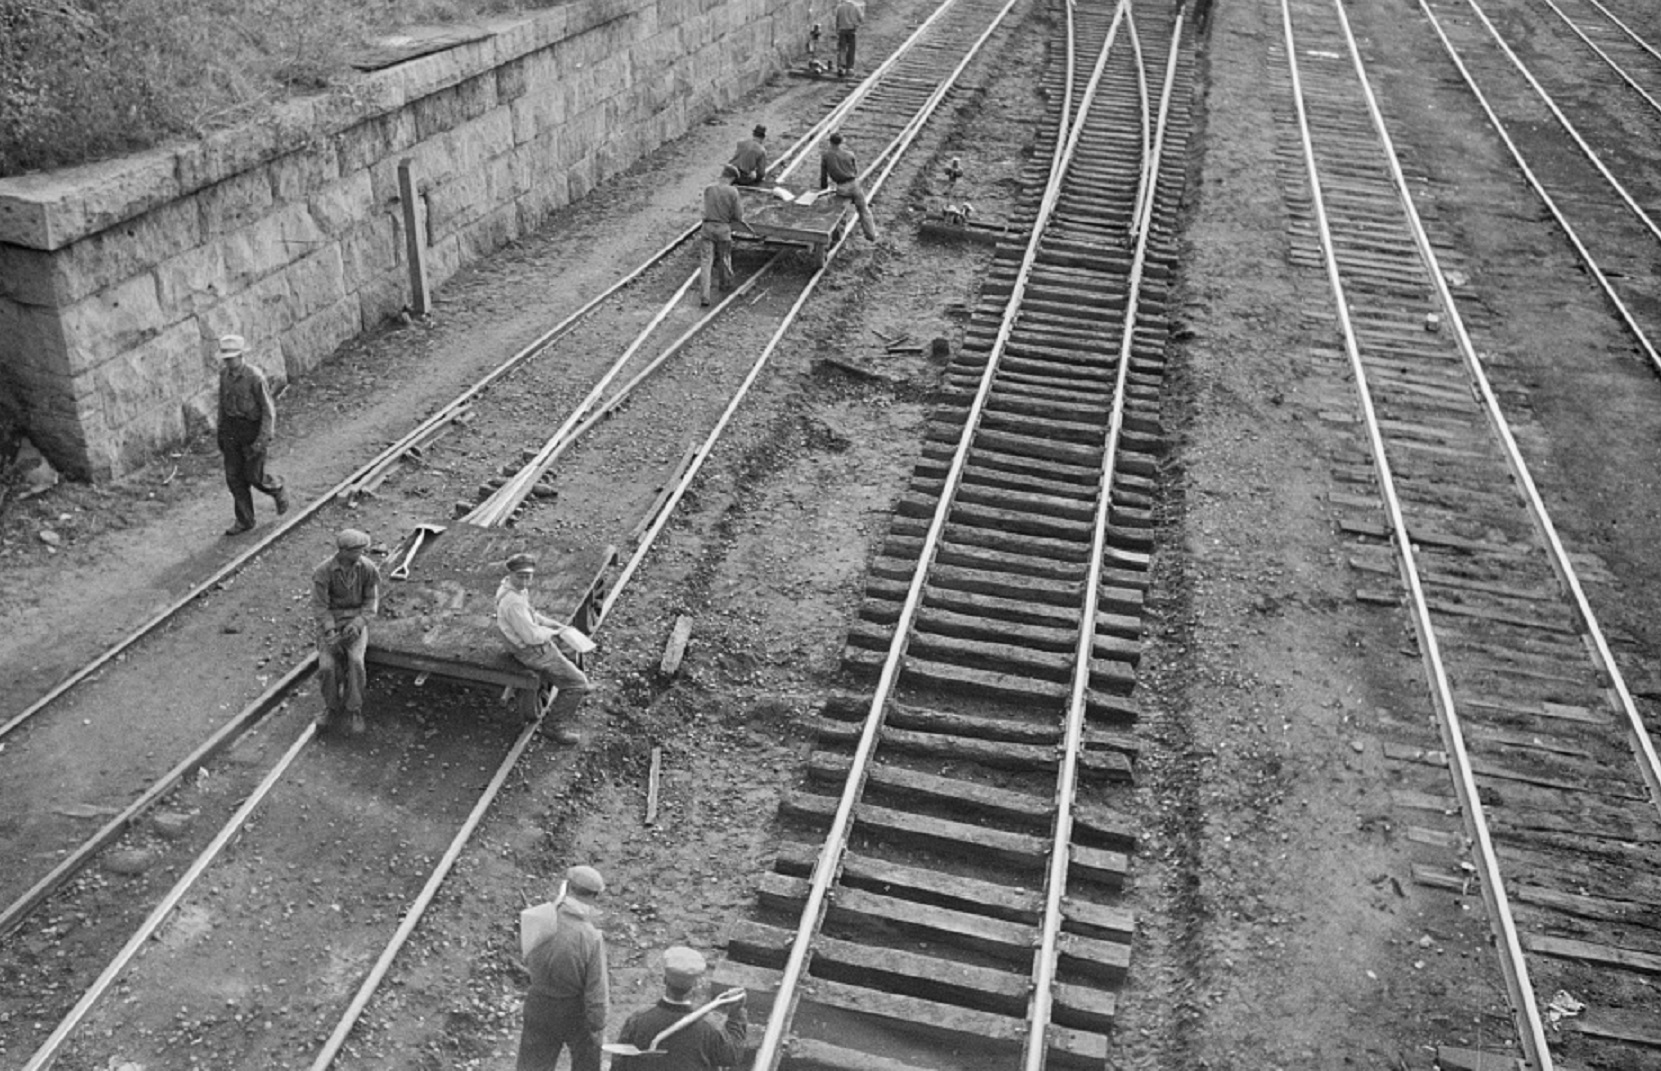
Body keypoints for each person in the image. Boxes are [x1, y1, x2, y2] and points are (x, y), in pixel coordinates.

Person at [519, 865, 610, 1071]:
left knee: (532, 1066)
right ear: (593, 897)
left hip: (538, 1002)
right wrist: (598, 1026)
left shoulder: (538, 917)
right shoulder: (590, 937)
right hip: (573, 1008)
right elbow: (597, 990)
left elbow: (525, 955)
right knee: (587, 1062)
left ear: (567, 887)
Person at [496, 552, 590, 745]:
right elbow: (532, 637)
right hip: (532, 651)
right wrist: (554, 633)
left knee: (567, 643)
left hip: (523, 643)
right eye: (520, 576)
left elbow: (532, 616)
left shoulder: (512, 589)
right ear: (511, 574)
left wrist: (556, 625)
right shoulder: (513, 602)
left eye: (527, 576)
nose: (524, 581)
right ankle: (555, 728)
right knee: (579, 683)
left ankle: (565, 678)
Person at [611, 946, 748, 1070]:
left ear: (665, 979)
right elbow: (732, 1055)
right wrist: (737, 1014)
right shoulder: (708, 1028)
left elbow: (618, 1062)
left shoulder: (637, 1020)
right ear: (695, 985)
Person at [216, 334, 288, 535]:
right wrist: (220, 432)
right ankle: (245, 520)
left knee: (253, 476)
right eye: (226, 359)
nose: (229, 362)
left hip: (252, 430)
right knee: (234, 478)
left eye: (232, 358)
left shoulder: (254, 377)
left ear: (241, 356)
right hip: (231, 430)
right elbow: (222, 405)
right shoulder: (224, 376)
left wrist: (262, 440)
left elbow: (268, 411)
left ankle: (276, 488)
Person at [313, 528, 380, 735]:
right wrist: (330, 630)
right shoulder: (323, 572)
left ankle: (354, 709)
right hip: (331, 620)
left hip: (355, 619)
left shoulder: (368, 569)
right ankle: (331, 707)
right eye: (357, 551)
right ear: (343, 551)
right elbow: (320, 606)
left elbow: (371, 601)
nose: (361, 554)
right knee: (326, 667)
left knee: (356, 662)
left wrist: (359, 623)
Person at [698, 164, 755, 308]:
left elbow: (705, 208)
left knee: (706, 262)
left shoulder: (709, 189)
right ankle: (724, 284)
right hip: (723, 230)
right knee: (724, 258)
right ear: (732, 178)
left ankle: (705, 296)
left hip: (707, 228)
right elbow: (738, 215)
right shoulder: (733, 192)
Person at [819, 132, 880, 241]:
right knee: (863, 210)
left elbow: (823, 176)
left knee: (839, 213)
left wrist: (823, 188)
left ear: (830, 142)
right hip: (854, 185)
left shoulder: (826, 156)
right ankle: (871, 235)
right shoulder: (850, 154)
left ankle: (837, 237)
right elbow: (855, 171)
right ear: (842, 142)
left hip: (842, 188)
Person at [833, 0, 863, 76]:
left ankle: (841, 67)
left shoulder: (840, 8)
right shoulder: (855, 7)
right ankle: (849, 68)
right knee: (851, 49)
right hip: (851, 30)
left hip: (842, 30)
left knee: (842, 49)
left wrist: (837, 29)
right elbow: (861, 18)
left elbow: (837, 19)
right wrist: (856, 24)